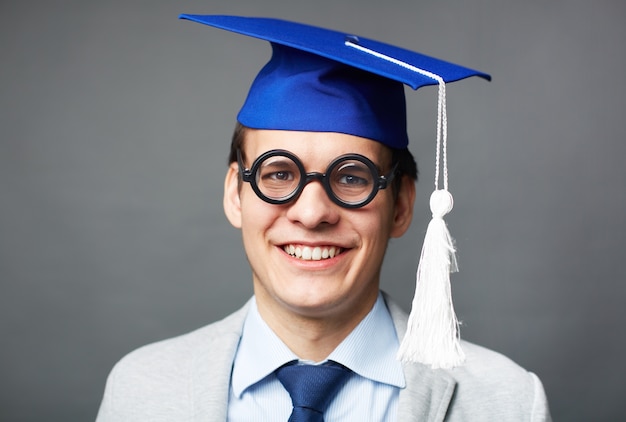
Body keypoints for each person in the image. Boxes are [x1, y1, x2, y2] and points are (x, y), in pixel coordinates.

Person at [96, 15, 551, 421]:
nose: (312, 213)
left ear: (404, 204)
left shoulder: (508, 402)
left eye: (352, 178)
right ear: (236, 194)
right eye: (279, 173)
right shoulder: (140, 391)